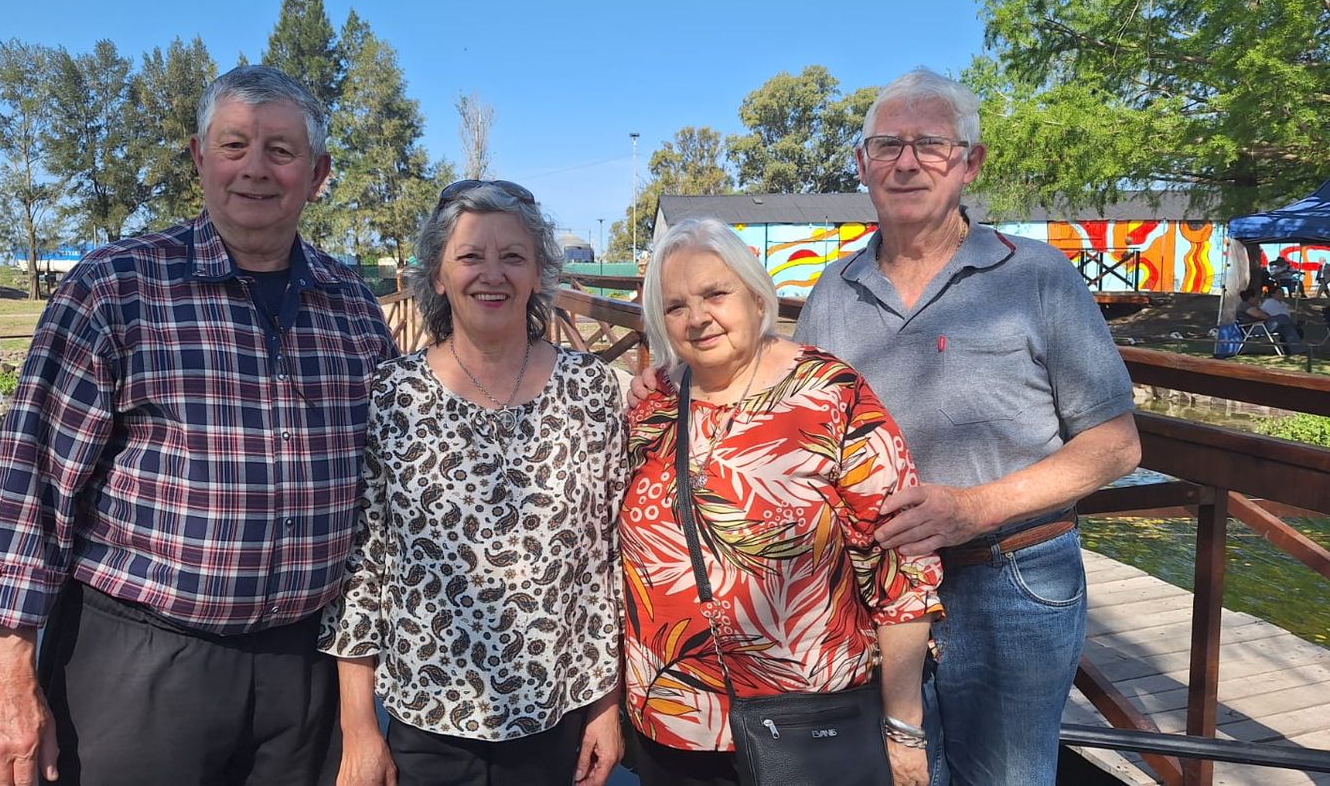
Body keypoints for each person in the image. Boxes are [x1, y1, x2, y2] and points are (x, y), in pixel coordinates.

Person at [631, 68, 1141, 785]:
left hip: (1009, 577)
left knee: (1008, 776)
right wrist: (675, 380)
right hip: (877, 592)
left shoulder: (1037, 276)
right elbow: (785, 404)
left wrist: (971, 509)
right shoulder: (835, 290)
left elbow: (1117, 445)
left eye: (931, 144)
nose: (907, 162)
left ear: (971, 161)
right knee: (903, 767)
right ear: (863, 165)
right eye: (887, 146)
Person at [0, 66, 395, 786]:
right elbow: (27, 482)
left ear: (318, 173)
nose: (255, 169)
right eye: (234, 145)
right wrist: (6, 672)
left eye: (281, 151)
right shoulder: (116, 286)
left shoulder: (351, 303)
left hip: (305, 669)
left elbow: (389, 479)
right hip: (144, 664)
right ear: (200, 158)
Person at [325, 180, 626, 786]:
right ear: (437, 276)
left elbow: (607, 560)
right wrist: (359, 728)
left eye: (513, 256)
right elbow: (363, 565)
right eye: (470, 256)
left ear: (540, 274)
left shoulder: (591, 389)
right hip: (425, 719)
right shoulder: (393, 393)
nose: (493, 274)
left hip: (558, 716)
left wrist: (606, 706)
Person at [624, 217, 943, 786]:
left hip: (809, 724)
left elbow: (902, 572)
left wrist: (903, 728)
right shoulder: (653, 407)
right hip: (672, 727)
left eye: (715, 294)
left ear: (754, 293)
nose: (697, 318)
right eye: (675, 306)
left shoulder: (830, 394)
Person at [1241, 288, 1307, 354]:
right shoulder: (1244, 305)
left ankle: (1298, 350)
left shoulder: (1253, 306)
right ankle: (1295, 326)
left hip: (1261, 326)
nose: (1257, 299)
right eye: (1256, 297)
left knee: (1286, 328)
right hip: (1254, 328)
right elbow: (1258, 315)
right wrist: (1270, 318)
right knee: (1283, 317)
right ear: (1251, 298)